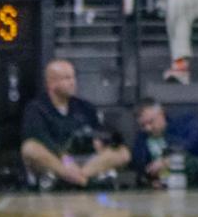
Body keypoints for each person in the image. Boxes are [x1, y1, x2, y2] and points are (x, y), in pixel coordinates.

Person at [20, 58, 130, 190]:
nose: (73, 82)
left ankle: (79, 178)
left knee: (123, 152)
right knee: (29, 148)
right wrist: (64, 158)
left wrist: (101, 140)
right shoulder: (36, 108)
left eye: (73, 77)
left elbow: (100, 131)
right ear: (51, 83)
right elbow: (40, 137)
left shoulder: (86, 107)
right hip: (56, 161)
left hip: (86, 162)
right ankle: (75, 179)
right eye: (67, 78)